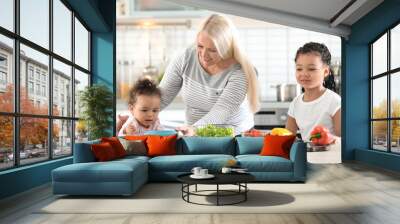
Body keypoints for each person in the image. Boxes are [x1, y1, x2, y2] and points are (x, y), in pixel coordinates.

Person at [158, 14, 260, 136]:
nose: (204, 55)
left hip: (233, 137)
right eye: (200, 46)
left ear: (226, 48)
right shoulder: (186, 57)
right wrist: (136, 117)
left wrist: (194, 129)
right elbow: (161, 98)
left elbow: (221, 111)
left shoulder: (240, 71)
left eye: (213, 50)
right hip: (193, 135)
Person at [285, 42, 341, 142]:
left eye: (311, 69)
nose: (304, 73)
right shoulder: (295, 103)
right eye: (299, 69)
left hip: (330, 156)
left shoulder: (334, 101)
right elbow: (288, 138)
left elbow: (342, 141)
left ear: (326, 72)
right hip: (306, 156)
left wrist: (326, 139)